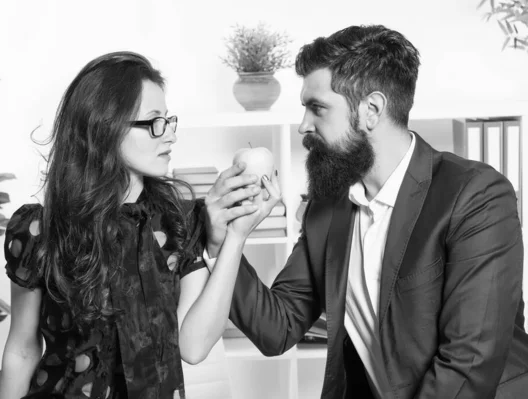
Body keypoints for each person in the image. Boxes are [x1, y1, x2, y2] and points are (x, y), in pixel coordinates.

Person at [204, 25, 528, 398]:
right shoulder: (327, 207)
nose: (303, 126)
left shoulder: (476, 196)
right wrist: (224, 239)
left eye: (317, 108)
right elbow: (277, 328)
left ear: (371, 110)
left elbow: (469, 363)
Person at [0, 51, 278, 399]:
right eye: (154, 122)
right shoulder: (39, 228)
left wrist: (235, 237)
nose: (170, 135)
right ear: (105, 127)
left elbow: (193, 346)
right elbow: (22, 349)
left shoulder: (182, 220)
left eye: (169, 120)